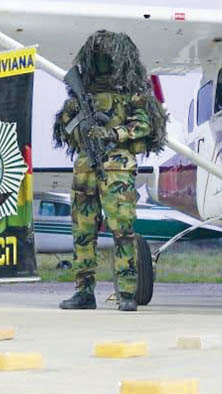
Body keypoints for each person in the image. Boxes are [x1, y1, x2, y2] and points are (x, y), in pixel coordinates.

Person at [52, 30, 167, 312]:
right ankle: (83, 292)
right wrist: (78, 122)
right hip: (85, 171)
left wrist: (111, 133)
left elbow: (144, 125)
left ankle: (126, 293)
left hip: (117, 171)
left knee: (122, 233)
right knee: (83, 233)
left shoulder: (133, 97)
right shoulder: (82, 97)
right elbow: (65, 132)